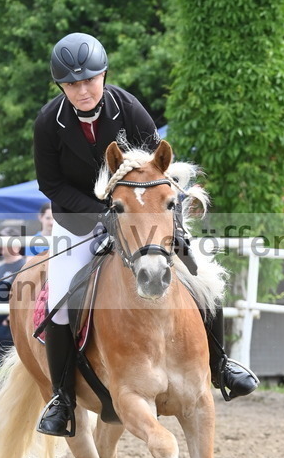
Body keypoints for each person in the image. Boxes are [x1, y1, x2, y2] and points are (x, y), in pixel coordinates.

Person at [33, 31, 258, 436]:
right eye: (72, 83)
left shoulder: (129, 109)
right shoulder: (49, 123)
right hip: (78, 221)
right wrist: (103, 213)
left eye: (89, 80)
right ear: (61, 86)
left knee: (201, 275)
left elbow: (157, 170)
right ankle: (63, 399)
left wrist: (149, 218)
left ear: (103, 76)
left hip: (141, 215)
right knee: (61, 301)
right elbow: (51, 185)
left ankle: (222, 364)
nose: (82, 90)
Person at [0, 228, 26, 364]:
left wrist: (9, 320)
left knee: (9, 364)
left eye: (4, 241)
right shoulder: (0, 267)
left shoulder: (23, 266)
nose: (0, 245)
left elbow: (24, 297)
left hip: (9, 324)